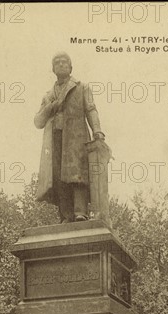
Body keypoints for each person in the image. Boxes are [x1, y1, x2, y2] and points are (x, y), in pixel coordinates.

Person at [34, 52, 105, 223]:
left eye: (64, 61)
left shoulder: (82, 87)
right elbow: (38, 121)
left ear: (71, 67)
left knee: (77, 174)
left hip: (76, 137)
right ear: (52, 69)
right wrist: (52, 106)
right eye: (57, 62)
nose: (61, 64)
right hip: (54, 140)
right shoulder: (48, 95)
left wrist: (97, 131)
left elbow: (91, 109)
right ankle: (65, 215)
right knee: (58, 177)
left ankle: (80, 212)